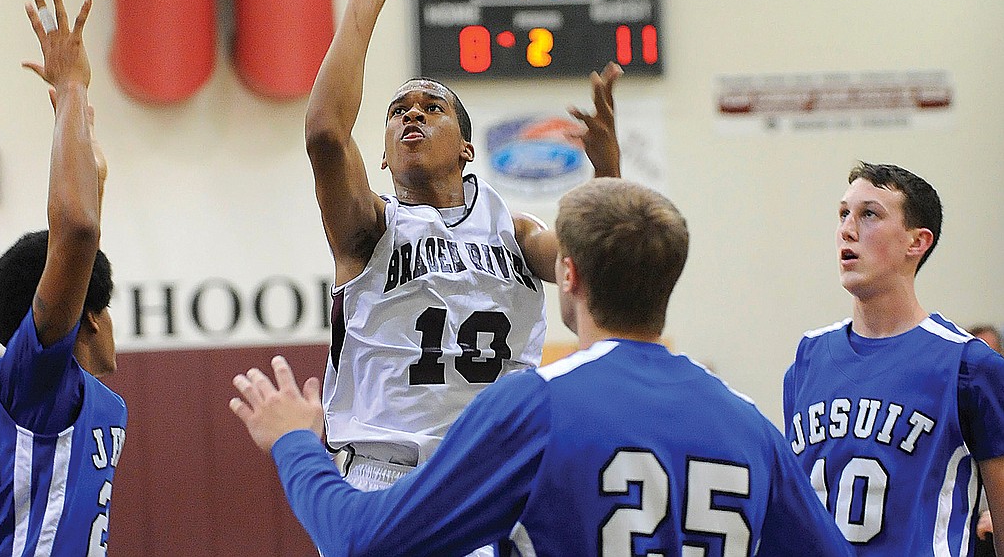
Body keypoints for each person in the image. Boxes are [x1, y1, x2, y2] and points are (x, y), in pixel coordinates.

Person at [230, 177, 853, 557]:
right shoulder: (748, 426)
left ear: (568, 275)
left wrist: (295, 443)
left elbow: (362, 541)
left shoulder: (538, 405)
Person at [303, 0, 621, 494]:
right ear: (382, 157)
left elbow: (592, 263)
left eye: (433, 108)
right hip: (387, 477)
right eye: (399, 109)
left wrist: (607, 169)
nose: (413, 114)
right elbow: (326, 135)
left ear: (466, 148)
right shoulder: (370, 227)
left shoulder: (514, 232)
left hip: (495, 476)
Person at [0, 0, 127, 555]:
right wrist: (75, 87)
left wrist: (79, 136)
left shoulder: (78, 397)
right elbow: (77, 229)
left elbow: (88, 209)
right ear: (87, 318)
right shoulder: (36, 381)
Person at [783, 162, 1004, 556]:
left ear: (916, 242)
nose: (847, 229)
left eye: (869, 214)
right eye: (843, 214)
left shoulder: (969, 365)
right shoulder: (808, 358)